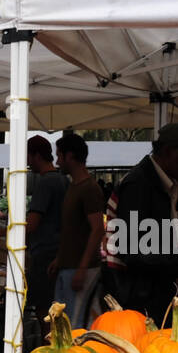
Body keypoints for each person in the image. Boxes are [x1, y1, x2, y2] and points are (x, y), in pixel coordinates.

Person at [102, 122, 178, 324]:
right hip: (137, 300)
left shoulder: (164, 184)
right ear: (167, 152)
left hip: (152, 294)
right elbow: (133, 250)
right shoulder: (139, 186)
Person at [50, 134, 105, 328]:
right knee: (64, 325)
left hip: (83, 269)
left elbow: (98, 229)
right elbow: (74, 229)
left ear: (70, 156)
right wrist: (60, 258)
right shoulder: (74, 186)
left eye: (59, 156)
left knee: (77, 326)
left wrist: (82, 268)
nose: (57, 161)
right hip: (70, 266)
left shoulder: (89, 188)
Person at [26, 135, 67, 322]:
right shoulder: (63, 180)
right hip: (60, 253)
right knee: (57, 309)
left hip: (45, 256)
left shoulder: (45, 182)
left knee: (44, 311)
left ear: (35, 156)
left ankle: (46, 347)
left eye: (27, 156)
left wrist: (0, 232)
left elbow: (32, 223)